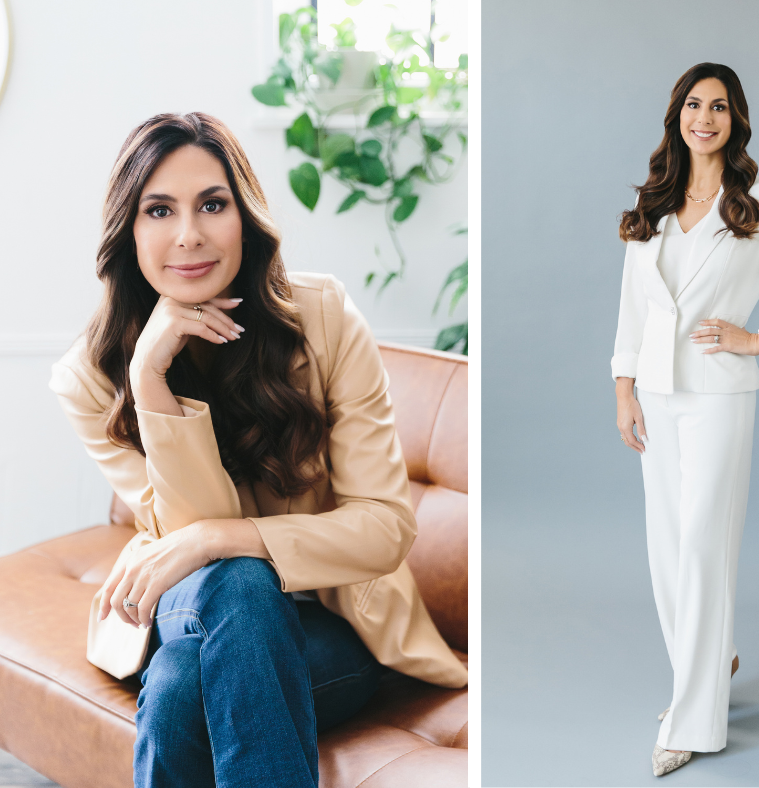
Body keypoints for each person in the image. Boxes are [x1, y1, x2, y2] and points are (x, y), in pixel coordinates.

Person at [48, 111, 467, 788]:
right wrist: (150, 379)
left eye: (212, 204)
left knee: (181, 687)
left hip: (330, 617)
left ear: (245, 217)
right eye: (160, 210)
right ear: (129, 230)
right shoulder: (89, 378)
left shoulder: (324, 319)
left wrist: (222, 537)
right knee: (238, 584)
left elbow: (386, 527)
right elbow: (192, 544)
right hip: (184, 600)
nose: (189, 234)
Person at [612, 63, 759, 777]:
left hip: (718, 394)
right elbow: (632, 307)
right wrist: (624, 389)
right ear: (677, 116)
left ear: (735, 119)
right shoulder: (653, 202)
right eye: (693, 104)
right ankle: (712, 662)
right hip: (656, 394)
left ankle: (694, 719)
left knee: (703, 546)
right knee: (665, 548)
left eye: (718, 107)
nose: (704, 118)